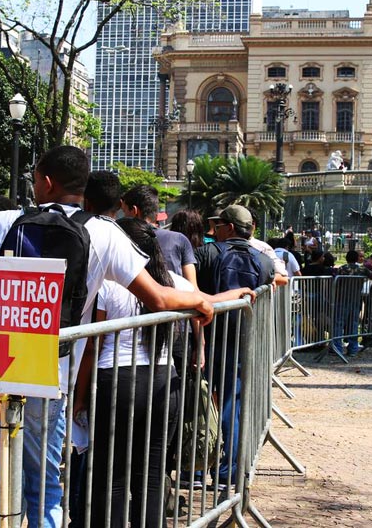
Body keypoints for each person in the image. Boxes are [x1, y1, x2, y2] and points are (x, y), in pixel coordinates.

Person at [0, 146, 213, 528]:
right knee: (44, 486)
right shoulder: (105, 233)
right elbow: (159, 297)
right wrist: (200, 300)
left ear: (46, 182)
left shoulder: (0, 221)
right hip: (50, 373)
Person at [76, 218, 250, 527]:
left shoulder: (109, 284)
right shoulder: (174, 283)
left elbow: (93, 345)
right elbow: (205, 301)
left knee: (111, 473)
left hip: (116, 381)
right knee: (152, 473)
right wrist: (239, 294)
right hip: (162, 382)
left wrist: (78, 397)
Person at [194, 204, 274, 486]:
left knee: (200, 403)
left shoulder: (206, 253)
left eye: (217, 226)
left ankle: (195, 469)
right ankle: (229, 472)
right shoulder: (263, 261)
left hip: (206, 336)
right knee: (232, 404)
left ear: (228, 228)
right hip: (242, 340)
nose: (213, 231)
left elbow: (191, 290)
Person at [121, 185, 198, 287]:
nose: (124, 216)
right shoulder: (179, 239)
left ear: (135, 211)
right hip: (174, 299)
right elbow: (193, 288)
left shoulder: (120, 240)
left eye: (124, 211)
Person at [332, 250, 370, 356]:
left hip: (342, 299)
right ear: (357, 258)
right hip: (355, 299)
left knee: (338, 324)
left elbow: (336, 281)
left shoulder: (342, 269)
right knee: (353, 324)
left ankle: (337, 348)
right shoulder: (362, 269)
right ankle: (353, 349)